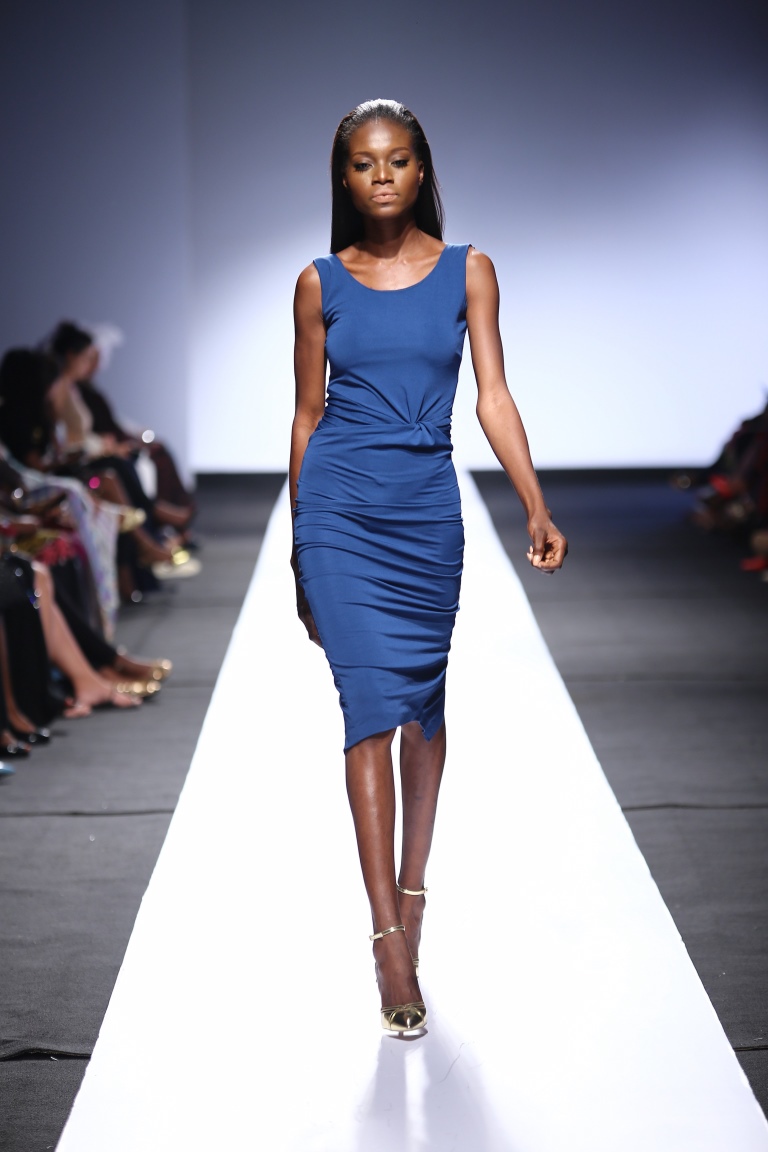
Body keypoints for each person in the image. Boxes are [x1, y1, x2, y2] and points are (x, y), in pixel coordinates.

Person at [290, 99, 567, 1035]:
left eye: (398, 160)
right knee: (368, 707)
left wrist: (534, 502)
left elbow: (493, 395)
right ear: (344, 177)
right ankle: (388, 942)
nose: (382, 176)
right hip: (338, 509)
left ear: (422, 170)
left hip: (423, 514)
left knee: (422, 705)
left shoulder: (469, 270)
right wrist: (299, 546)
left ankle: (415, 891)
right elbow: (306, 416)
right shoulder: (318, 282)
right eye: (364, 163)